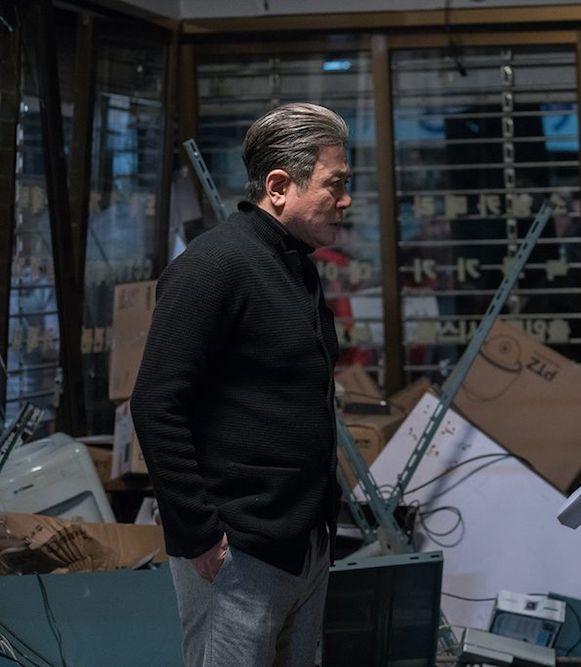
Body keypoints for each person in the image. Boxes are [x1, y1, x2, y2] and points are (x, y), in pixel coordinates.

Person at [131, 103, 352, 666]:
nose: (346, 200)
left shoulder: (296, 264)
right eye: (335, 184)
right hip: (238, 552)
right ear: (279, 186)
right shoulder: (214, 265)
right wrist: (200, 535)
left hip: (302, 542)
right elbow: (155, 404)